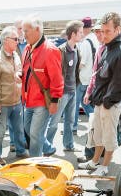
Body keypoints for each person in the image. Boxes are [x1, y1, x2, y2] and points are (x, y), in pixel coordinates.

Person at [78, 12, 121, 176]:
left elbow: (120, 83)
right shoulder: (107, 48)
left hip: (110, 102)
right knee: (97, 133)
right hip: (101, 100)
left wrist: (107, 101)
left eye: (108, 31)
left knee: (109, 136)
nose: (103, 35)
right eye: (102, 31)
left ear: (117, 29)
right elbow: (99, 75)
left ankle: (104, 166)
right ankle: (94, 161)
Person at [21, 15, 63, 158]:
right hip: (28, 100)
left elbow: (57, 78)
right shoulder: (27, 49)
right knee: (28, 129)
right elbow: (27, 72)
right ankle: (48, 148)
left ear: (37, 29)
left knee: (35, 133)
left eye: (26, 31)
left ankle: (35, 162)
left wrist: (55, 101)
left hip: (41, 101)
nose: (23, 34)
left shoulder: (50, 50)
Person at [43, 20, 84, 156]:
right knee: (54, 121)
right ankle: (46, 147)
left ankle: (68, 145)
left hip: (73, 90)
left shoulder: (76, 49)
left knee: (70, 120)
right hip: (62, 92)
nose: (82, 34)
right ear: (73, 34)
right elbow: (56, 74)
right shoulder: (60, 51)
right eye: (80, 32)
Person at [0, 26, 27, 163]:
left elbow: (20, 69)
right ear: (5, 40)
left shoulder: (16, 55)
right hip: (2, 104)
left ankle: (21, 151)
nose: (18, 41)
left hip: (16, 101)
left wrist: (19, 73)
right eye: (15, 39)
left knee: (19, 130)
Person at [75, 17, 98, 130]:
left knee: (75, 104)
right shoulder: (95, 39)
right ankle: (96, 121)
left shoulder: (85, 42)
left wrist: (72, 73)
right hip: (92, 77)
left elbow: (82, 63)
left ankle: (73, 127)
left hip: (83, 77)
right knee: (85, 103)